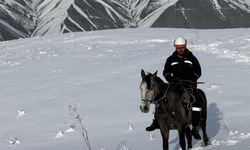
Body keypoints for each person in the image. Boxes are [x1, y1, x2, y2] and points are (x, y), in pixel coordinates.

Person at [146, 37, 202, 139]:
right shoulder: (170, 59)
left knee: (196, 102)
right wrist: (171, 79)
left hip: (189, 86)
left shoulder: (192, 58)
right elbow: (166, 72)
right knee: (161, 99)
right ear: (175, 47)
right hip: (174, 86)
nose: (180, 49)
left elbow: (198, 72)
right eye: (178, 47)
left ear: (185, 46)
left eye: (182, 47)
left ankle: (195, 127)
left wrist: (191, 79)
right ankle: (156, 122)